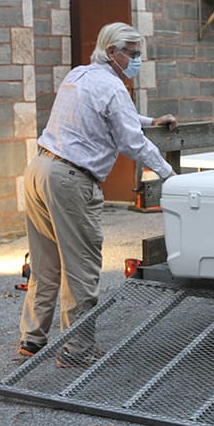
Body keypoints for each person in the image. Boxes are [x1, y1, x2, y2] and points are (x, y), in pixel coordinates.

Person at [18, 22, 178, 367]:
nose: (136, 61)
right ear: (111, 52)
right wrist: (168, 174)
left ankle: (31, 340)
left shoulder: (78, 76)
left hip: (40, 169)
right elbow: (131, 141)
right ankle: (77, 352)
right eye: (132, 54)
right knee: (82, 270)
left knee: (45, 264)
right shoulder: (114, 88)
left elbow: (117, 116)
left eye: (138, 55)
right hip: (71, 180)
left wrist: (150, 119)